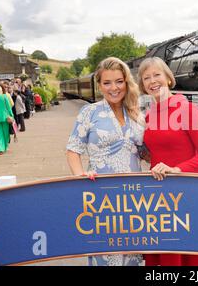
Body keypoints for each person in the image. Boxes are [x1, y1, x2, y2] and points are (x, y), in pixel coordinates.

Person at [137, 57, 198, 266]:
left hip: (188, 190)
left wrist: (176, 169)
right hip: (159, 192)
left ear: (168, 78)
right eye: (146, 78)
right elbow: (158, 149)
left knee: (191, 256)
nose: (152, 81)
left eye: (157, 74)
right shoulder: (148, 115)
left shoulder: (187, 109)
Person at [66, 57, 145, 266]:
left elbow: (145, 151)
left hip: (134, 197)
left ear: (127, 82)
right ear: (99, 85)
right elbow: (73, 149)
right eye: (107, 83)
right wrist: (79, 175)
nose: (114, 88)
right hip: (102, 196)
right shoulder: (90, 112)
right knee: (106, 252)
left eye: (119, 81)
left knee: (132, 253)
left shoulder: (136, 112)